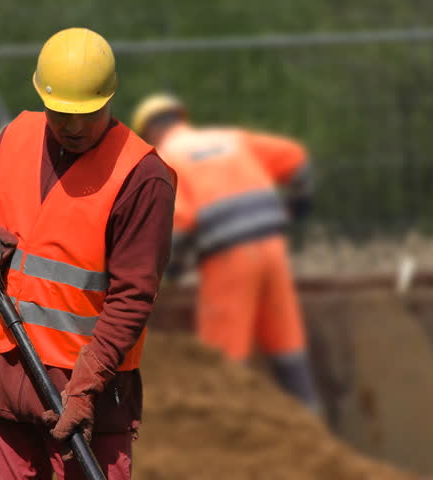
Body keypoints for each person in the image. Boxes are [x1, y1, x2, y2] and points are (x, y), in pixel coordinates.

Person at [0, 28, 176, 479]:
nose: (73, 127)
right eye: (61, 114)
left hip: (84, 405)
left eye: (87, 114)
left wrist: (86, 386)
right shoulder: (16, 136)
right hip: (9, 382)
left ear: (109, 99)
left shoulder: (142, 178)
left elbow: (133, 295)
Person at [130, 93, 321, 413]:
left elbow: (180, 225)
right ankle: (314, 426)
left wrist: (172, 270)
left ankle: (229, 435)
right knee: (287, 344)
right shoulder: (229, 138)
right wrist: (298, 206)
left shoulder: (163, 160)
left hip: (229, 260)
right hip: (273, 248)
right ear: (180, 118)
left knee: (222, 357)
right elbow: (296, 159)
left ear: (147, 133)